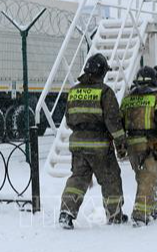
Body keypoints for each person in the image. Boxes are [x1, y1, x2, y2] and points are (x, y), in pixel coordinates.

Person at [59, 54, 128, 229]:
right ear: (101, 72)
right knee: (110, 179)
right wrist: (121, 143)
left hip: (78, 145)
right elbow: (113, 122)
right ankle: (114, 215)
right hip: (99, 147)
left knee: (78, 179)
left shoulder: (73, 91)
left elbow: (68, 119)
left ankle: (66, 213)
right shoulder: (105, 92)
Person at [121, 66, 157, 226]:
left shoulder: (127, 97)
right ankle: (139, 214)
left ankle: (153, 206)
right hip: (150, 143)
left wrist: (121, 145)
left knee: (143, 177)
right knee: (148, 178)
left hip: (132, 145)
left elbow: (119, 120)